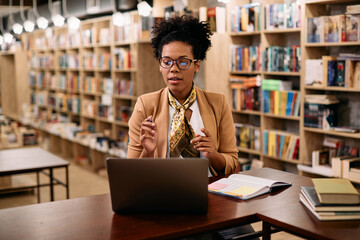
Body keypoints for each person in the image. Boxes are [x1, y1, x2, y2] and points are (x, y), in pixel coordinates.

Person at [127, 15, 238, 176]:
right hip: (161, 190)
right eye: (167, 61)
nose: (173, 69)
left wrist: (212, 154)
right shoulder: (145, 105)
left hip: (207, 189)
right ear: (160, 64)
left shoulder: (218, 103)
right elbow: (131, 173)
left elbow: (232, 163)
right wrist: (148, 152)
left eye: (183, 61)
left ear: (197, 65)